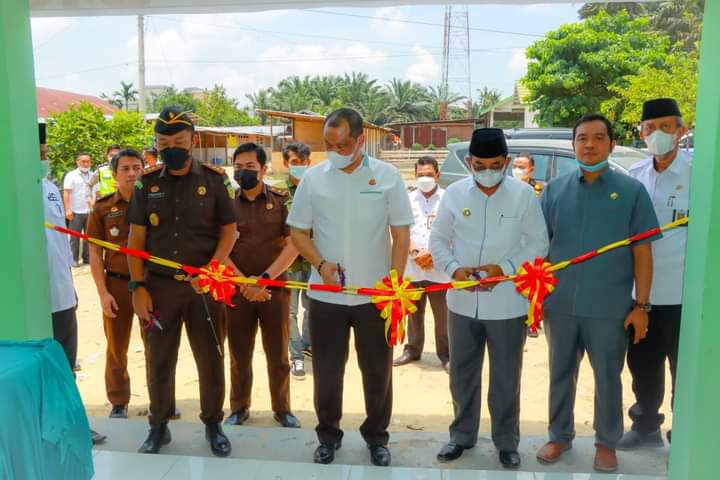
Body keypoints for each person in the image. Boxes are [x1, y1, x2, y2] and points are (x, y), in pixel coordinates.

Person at [287, 107, 413, 467]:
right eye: (328, 144)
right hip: (326, 296)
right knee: (326, 370)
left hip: (375, 297)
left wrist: (394, 281)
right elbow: (298, 231)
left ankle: (377, 437)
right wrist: (321, 264)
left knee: (377, 370)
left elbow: (400, 233)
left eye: (342, 145)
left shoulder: (387, 177)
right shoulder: (314, 178)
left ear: (360, 140)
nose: (335, 151)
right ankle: (328, 435)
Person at [536, 114, 660, 473]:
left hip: (609, 307)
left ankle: (607, 442)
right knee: (560, 372)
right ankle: (559, 435)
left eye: (597, 138)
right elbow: (541, 249)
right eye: (581, 139)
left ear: (610, 142)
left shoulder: (631, 191)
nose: (589, 145)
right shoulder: (554, 190)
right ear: (573, 144)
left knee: (608, 375)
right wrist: (537, 296)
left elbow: (643, 252)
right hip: (559, 305)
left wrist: (642, 305)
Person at [430, 128, 549, 469]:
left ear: (507, 162)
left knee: (506, 376)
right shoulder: (453, 194)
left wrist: (506, 268)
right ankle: (461, 436)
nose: (487, 171)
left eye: (495, 164)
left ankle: (506, 442)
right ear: (469, 162)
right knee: (462, 374)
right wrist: (454, 269)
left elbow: (538, 244)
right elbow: (438, 240)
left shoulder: (523, 195)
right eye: (479, 164)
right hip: (463, 302)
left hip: (507, 302)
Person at [127, 106, 237, 456]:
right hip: (159, 288)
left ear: (193, 141)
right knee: (159, 358)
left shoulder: (214, 180)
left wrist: (214, 268)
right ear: (156, 143)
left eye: (178, 140)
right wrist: (137, 287)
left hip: (203, 287)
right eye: (163, 141)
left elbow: (229, 231)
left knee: (210, 357)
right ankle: (158, 426)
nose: (170, 146)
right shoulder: (147, 183)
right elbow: (136, 240)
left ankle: (213, 424)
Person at [619, 98, 691, 449]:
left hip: (685, 293)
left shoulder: (700, 174)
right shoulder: (634, 178)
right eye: (650, 129)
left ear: (681, 129)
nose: (658, 134)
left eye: (666, 127)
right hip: (641, 294)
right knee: (643, 364)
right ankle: (645, 424)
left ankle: (686, 430)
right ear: (641, 133)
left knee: (685, 367)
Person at [223, 142, 301, 429]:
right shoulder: (227, 204)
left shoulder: (281, 201)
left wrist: (265, 279)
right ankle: (239, 408)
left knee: (278, 354)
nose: (243, 173)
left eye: (250, 167)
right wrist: (244, 282)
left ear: (264, 169)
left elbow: (294, 245)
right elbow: (220, 250)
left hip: (275, 289)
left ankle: (282, 409)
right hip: (237, 291)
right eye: (239, 168)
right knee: (239, 354)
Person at [40, 124, 106, 445]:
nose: (43, 158)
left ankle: (72, 424)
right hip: (34, 301)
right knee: (40, 369)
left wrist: (71, 286)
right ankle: (48, 429)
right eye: (38, 154)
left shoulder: (48, 187)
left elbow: (60, 243)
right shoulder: (12, 191)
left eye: (44, 153)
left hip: (62, 295)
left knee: (67, 364)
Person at [87, 149, 144, 419]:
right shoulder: (102, 208)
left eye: (137, 167)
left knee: (158, 345)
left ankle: (162, 399)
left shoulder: (154, 205)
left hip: (149, 285)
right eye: (125, 169)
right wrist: (103, 293)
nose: (132, 173)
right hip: (117, 285)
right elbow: (95, 254)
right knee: (116, 346)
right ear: (114, 174)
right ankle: (119, 401)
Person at [393, 156, 451, 372]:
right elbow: (400, 231)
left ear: (438, 175)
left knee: (443, 315)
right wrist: (416, 253)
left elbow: (453, 230)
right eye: (420, 175)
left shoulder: (448, 199)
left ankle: (446, 354)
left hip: (440, 268)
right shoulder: (406, 200)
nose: (424, 178)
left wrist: (434, 254)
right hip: (413, 267)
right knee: (413, 313)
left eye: (428, 174)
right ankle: (412, 350)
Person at [282, 141, 313, 379]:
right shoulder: (278, 194)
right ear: (285, 164)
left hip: (314, 261)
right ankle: (296, 357)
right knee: (289, 312)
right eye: (294, 163)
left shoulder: (317, 191)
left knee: (312, 308)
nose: (299, 167)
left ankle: (307, 344)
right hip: (289, 264)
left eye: (303, 163)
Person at [63, 152, 93, 266]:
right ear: (77, 162)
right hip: (75, 211)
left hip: (89, 211)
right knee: (74, 237)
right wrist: (67, 209)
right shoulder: (71, 175)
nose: (86, 164)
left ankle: (87, 258)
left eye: (88, 161)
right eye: (83, 161)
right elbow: (66, 192)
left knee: (88, 237)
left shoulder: (93, 174)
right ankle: (73, 259)